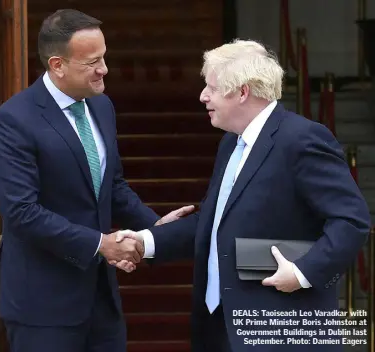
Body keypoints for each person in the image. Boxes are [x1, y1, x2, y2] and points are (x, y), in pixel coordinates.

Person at [114, 39, 371, 352]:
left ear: (243, 92)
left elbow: (351, 220)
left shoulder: (302, 139)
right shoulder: (231, 144)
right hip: (222, 329)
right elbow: (216, 221)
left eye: (211, 87)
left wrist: (303, 272)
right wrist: (146, 241)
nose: (202, 96)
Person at [0, 9, 193, 352]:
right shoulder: (12, 121)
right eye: (93, 61)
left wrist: (156, 226)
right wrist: (102, 244)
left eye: (104, 57)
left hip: (101, 302)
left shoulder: (101, 106)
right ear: (57, 65)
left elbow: (111, 187)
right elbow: (22, 212)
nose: (105, 70)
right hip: (43, 306)